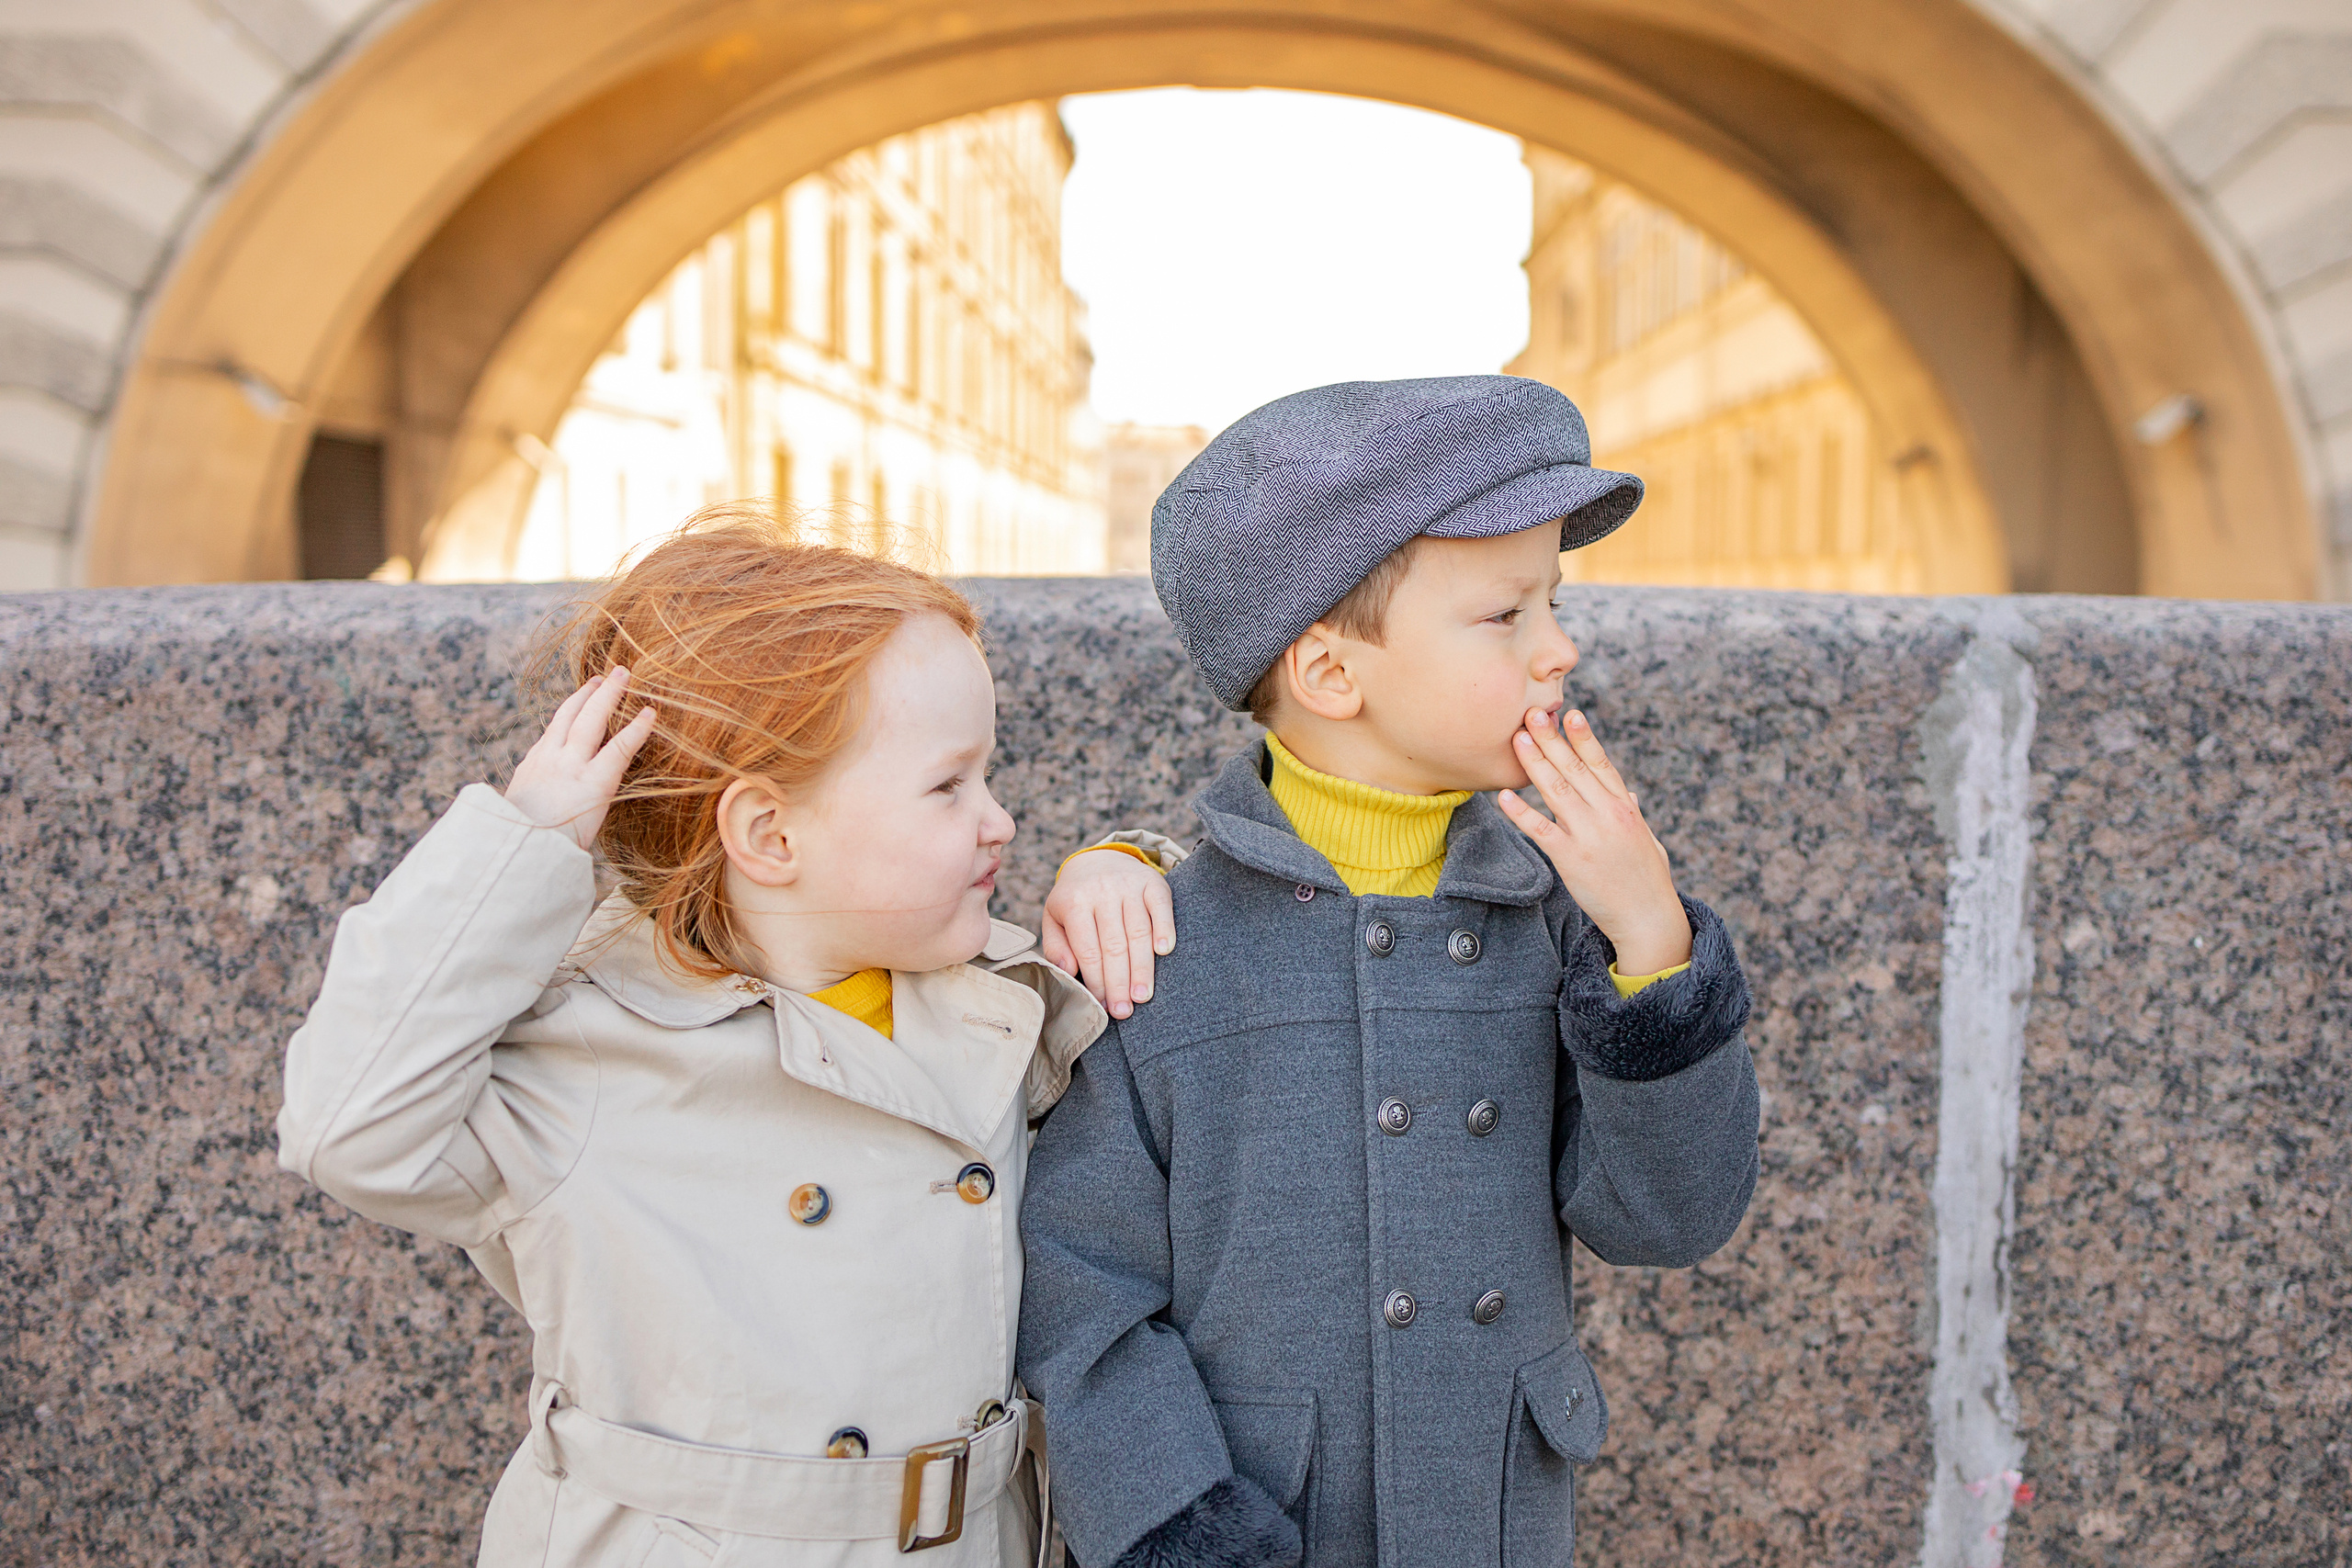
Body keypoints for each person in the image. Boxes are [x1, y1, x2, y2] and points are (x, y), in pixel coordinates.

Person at [277, 510, 1163, 1567]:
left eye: (988, 776)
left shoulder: (989, 1005)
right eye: (949, 784)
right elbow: (347, 1128)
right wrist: (524, 841)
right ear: (769, 835)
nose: (1001, 820)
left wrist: (1121, 864)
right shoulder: (587, 1057)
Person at [1016, 377, 1763, 1568]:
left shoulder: (1560, 924)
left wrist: (1652, 946)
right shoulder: (1159, 940)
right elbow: (1080, 1288)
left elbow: (1666, 1216)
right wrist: (1179, 1526)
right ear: (1329, 674)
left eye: (1552, 603)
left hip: (1494, 1520)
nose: (1558, 647)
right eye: (1504, 614)